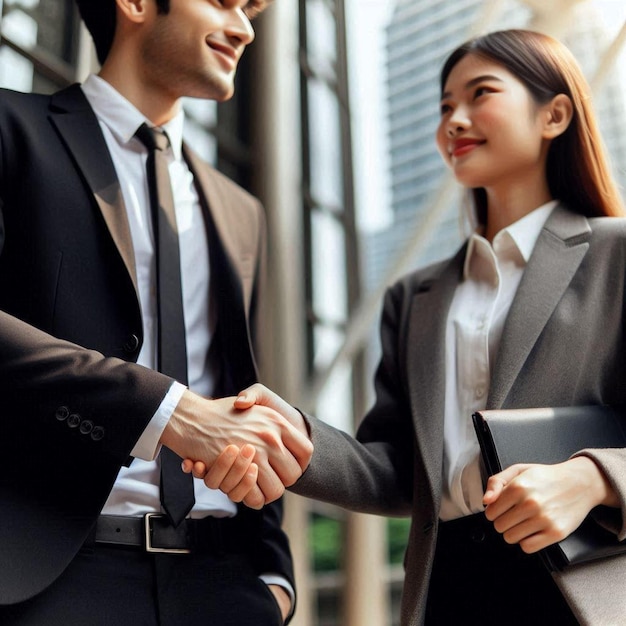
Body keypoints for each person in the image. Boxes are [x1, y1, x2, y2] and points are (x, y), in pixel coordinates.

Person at [195, 29, 626, 625]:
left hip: (587, 589)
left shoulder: (617, 256)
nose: (455, 119)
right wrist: (295, 436)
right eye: (445, 106)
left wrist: (594, 478)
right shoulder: (416, 297)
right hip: (445, 587)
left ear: (554, 115)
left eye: (480, 94)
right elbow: (401, 469)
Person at [0, 0, 313, 623]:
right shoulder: (11, 128)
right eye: (225, 3)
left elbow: (244, 386)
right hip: (53, 580)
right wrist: (168, 411)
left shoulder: (238, 209)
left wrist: (272, 575)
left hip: (226, 583)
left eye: (252, 11)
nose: (246, 28)